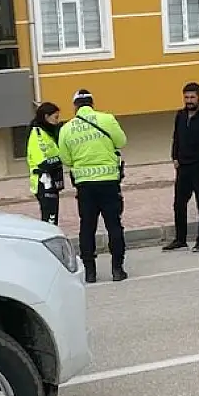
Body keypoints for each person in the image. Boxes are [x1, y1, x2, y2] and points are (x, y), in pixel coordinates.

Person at [57, 88, 129, 283]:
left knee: (87, 227)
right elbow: (121, 141)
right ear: (92, 103)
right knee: (114, 225)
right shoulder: (107, 119)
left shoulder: (66, 129)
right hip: (108, 182)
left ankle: (90, 272)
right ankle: (117, 269)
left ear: (75, 107)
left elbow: (66, 159)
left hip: (85, 185)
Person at [162, 82, 199, 253]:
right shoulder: (180, 115)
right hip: (183, 168)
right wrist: (174, 157)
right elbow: (176, 138)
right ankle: (180, 239)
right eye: (186, 97)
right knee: (179, 204)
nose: (189, 100)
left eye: (192, 97)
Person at [26, 102, 66, 225]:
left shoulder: (49, 133)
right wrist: (62, 158)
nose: (57, 121)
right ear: (46, 117)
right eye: (55, 117)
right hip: (44, 182)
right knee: (50, 219)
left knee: (52, 217)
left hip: (52, 180)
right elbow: (43, 162)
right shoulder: (37, 133)